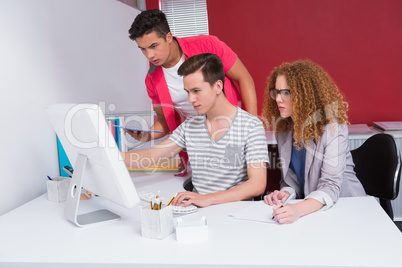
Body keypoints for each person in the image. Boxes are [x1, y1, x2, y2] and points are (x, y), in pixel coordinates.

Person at [124, 53, 268, 207]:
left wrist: (208, 199)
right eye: (187, 92)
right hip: (199, 211)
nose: (190, 99)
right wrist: (109, 156)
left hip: (235, 213)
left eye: (196, 91)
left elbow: (257, 184)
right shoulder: (190, 125)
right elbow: (152, 156)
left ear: (218, 86)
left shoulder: (251, 126)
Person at [127, 9, 257, 175]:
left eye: (153, 46)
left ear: (168, 37)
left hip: (230, 133)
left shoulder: (207, 45)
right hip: (197, 146)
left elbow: (244, 78)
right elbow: (165, 122)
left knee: (240, 183)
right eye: (143, 49)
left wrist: (253, 128)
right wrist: (147, 135)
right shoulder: (152, 79)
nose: (149, 55)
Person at [262, 60, 365, 223]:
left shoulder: (333, 128)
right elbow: (291, 178)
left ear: (305, 94)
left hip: (346, 207)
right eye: (276, 92)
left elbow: (330, 185)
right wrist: (286, 193)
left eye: (286, 92)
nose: (278, 99)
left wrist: (297, 209)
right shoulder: (284, 128)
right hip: (312, 210)